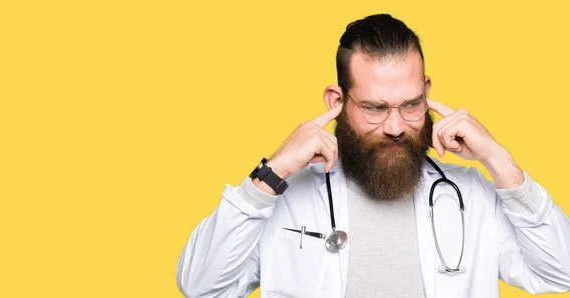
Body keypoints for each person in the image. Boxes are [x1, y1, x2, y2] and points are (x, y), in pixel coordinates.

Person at [176, 14, 570, 298]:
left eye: (412, 105)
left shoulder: (471, 196)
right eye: (375, 108)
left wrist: (500, 161)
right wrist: (272, 174)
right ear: (337, 101)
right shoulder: (286, 200)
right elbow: (201, 286)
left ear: (427, 92)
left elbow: (561, 272)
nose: (396, 127)